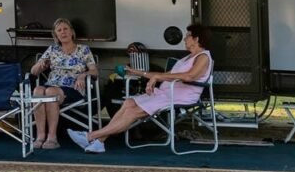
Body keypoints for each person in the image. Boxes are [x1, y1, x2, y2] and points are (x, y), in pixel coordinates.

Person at [67, 23, 213, 154]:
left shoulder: (203, 57)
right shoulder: (185, 58)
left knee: (133, 112)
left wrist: (157, 78)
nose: (184, 39)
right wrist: (138, 72)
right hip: (164, 94)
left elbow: (190, 76)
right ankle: (99, 142)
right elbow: (163, 74)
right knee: (128, 103)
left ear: (197, 39)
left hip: (179, 97)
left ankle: (90, 136)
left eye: (187, 36)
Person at [28, 18, 97, 150]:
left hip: (73, 87)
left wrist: (83, 75)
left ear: (72, 32)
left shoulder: (84, 50)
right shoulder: (52, 49)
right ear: (56, 36)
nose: (63, 32)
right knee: (38, 90)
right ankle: (40, 136)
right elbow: (33, 72)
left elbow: (94, 71)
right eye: (59, 30)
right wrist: (41, 65)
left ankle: (52, 138)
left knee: (50, 92)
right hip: (53, 84)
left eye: (65, 29)